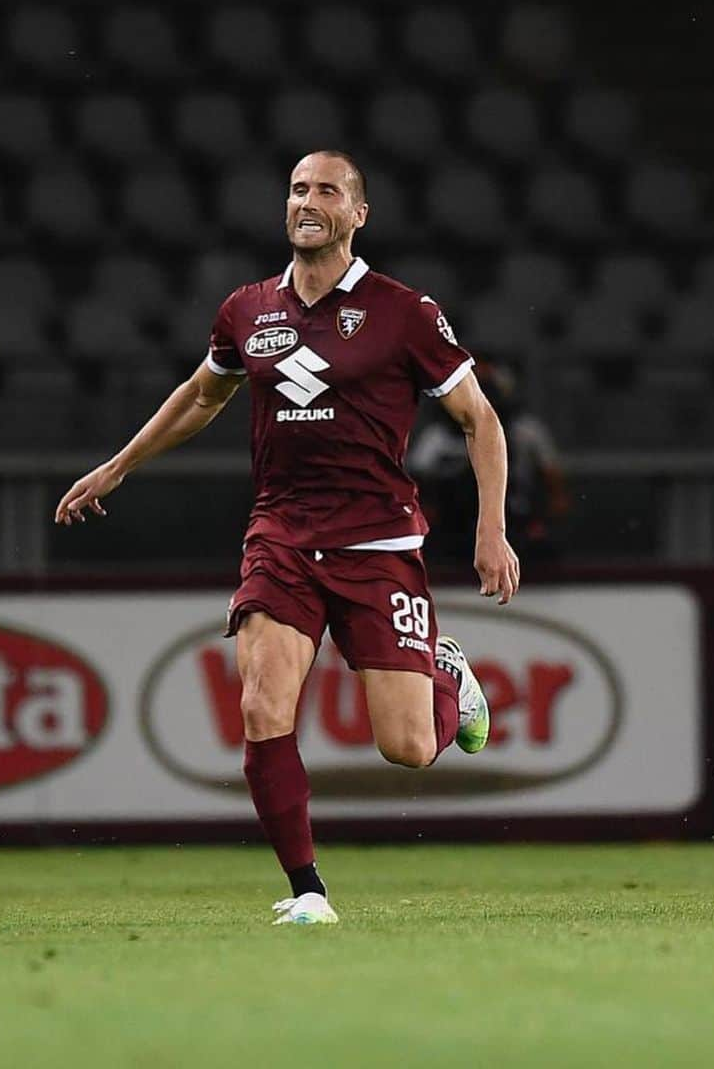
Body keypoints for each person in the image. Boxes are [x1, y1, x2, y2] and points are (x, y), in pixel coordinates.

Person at [55, 150, 520, 925]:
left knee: (406, 747)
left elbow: (480, 419)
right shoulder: (247, 309)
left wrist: (491, 528)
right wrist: (117, 467)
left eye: (327, 191)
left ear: (358, 215)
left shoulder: (404, 311)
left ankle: (449, 679)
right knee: (263, 704)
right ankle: (309, 891)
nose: (308, 201)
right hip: (280, 534)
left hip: (377, 543)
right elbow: (202, 396)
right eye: (298, 189)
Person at [408, 360, 569, 563]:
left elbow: (551, 476)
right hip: (456, 517)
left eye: (489, 389)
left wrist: (549, 510)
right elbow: (418, 477)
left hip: (513, 511)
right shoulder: (438, 437)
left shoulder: (525, 431)